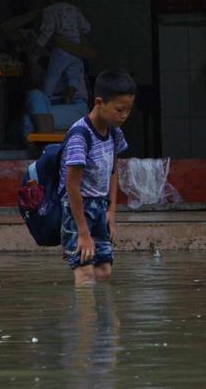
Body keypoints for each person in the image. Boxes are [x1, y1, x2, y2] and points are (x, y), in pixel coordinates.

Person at [59, 68, 136, 286]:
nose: (124, 115)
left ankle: (104, 320)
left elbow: (112, 170)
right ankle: (85, 320)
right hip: (77, 208)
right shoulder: (79, 136)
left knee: (104, 270)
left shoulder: (113, 132)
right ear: (99, 102)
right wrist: (83, 232)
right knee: (84, 272)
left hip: (100, 206)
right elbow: (71, 186)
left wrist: (111, 211)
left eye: (128, 110)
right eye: (119, 109)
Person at [0, 0, 96, 137]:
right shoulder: (32, 36)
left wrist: (57, 41)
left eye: (49, 0)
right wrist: (40, 13)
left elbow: (90, 53)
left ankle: (45, 153)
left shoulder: (72, 33)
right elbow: (5, 28)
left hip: (74, 105)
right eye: (39, 0)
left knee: (27, 123)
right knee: (34, 97)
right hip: (45, 104)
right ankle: (47, 149)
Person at [36, 0, 91, 104]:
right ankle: (70, 96)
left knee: (53, 74)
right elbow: (86, 27)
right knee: (74, 74)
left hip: (60, 51)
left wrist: (39, 45)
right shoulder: (75, 11)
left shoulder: (50, 11)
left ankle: (46, 99)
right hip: (75, 46)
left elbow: (47, 31)